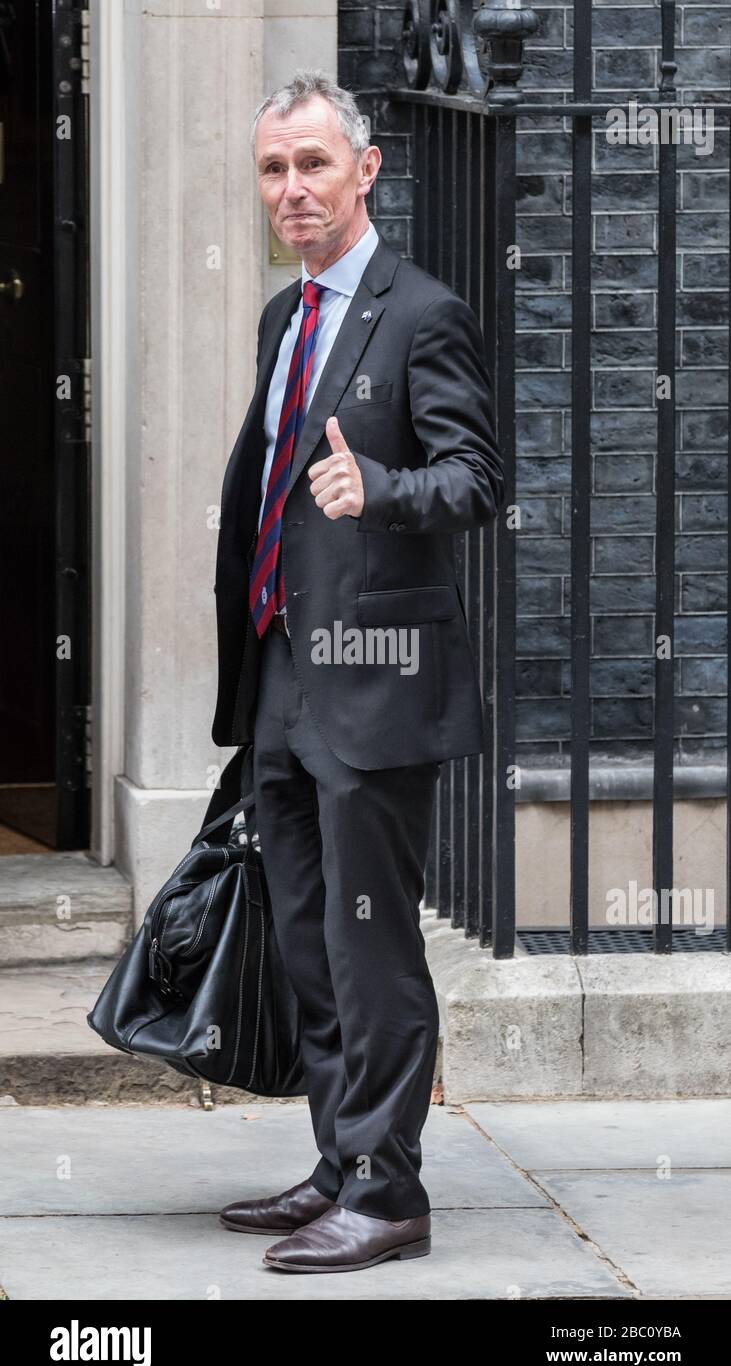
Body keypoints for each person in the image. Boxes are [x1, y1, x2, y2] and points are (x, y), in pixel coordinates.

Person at [213, 68, 505, 1274]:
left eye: (312, 165)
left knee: (371, 935)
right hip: (287, 668)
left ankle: (390, 1193)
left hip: (377, 677)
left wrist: (380, 489)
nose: (291, 189)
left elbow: (479, 481)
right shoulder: (288, 319)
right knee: (305, 935)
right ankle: (340, 1158)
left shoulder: (420, 311)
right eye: (274, 169)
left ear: (365, 170)